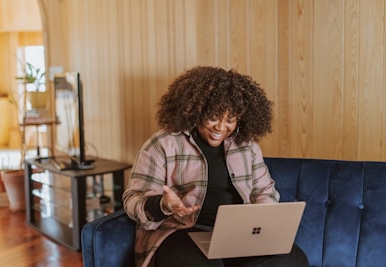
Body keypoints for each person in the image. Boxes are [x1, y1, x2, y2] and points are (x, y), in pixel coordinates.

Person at [123, 66, 308, 267]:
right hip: (181, 233)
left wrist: (261, 221)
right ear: (196, 111)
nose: (221, 128)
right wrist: (162, 205)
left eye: (230, 120)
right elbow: (133, 200)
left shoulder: (248, 147)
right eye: (213, 117)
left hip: (238, 235)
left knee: (293, 259)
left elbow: (264, 191)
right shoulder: (162, 145)